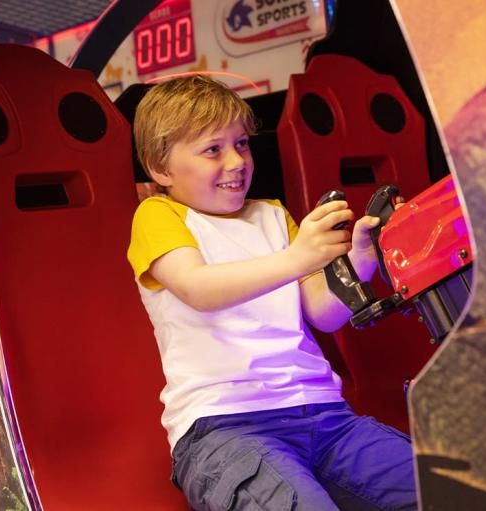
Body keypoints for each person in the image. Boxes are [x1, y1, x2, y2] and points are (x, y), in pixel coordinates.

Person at [127, 75, 417, 510]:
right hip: (224, 428)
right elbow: (198, 288)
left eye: (241, 144)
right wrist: (299, 258)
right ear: (161, 169)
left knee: (458, 491)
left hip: (325, 416)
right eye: (213, 149)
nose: (236, 161)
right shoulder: (159, 215)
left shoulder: (272, 215)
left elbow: (321, 312)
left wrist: (362, 257)